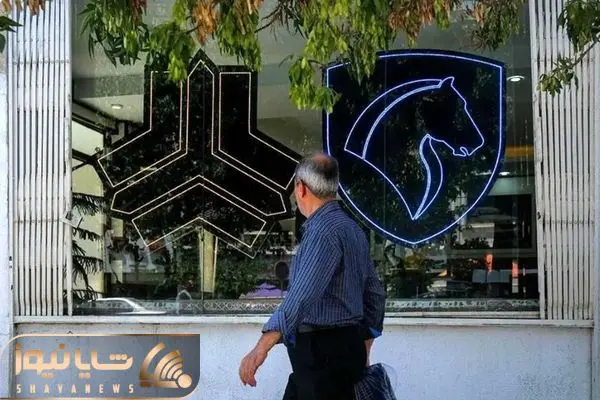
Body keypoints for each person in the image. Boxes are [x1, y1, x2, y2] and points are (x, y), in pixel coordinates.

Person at [239, 152, 386, 399]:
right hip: (344, 349)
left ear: (301, 188)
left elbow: (301, 297)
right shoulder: (352, 229)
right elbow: (376, 295)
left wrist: (260, 349)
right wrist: (364, 344)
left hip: (322, 356)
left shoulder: (322, 232)